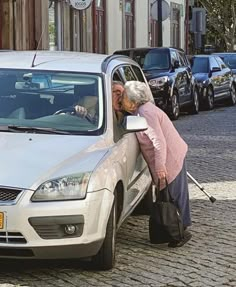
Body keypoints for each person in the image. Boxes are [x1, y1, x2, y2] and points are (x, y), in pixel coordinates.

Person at [122, 80, 192, 248]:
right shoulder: (140, 111)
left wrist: (160, 167)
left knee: (174, 196)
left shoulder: (146, 113)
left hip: (170, 159)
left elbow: (159, 142)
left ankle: (180, 232)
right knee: (172, 195)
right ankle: (177, 229)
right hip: (169, 157)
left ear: (133, 101)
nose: (121, 100)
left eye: (123, 96)